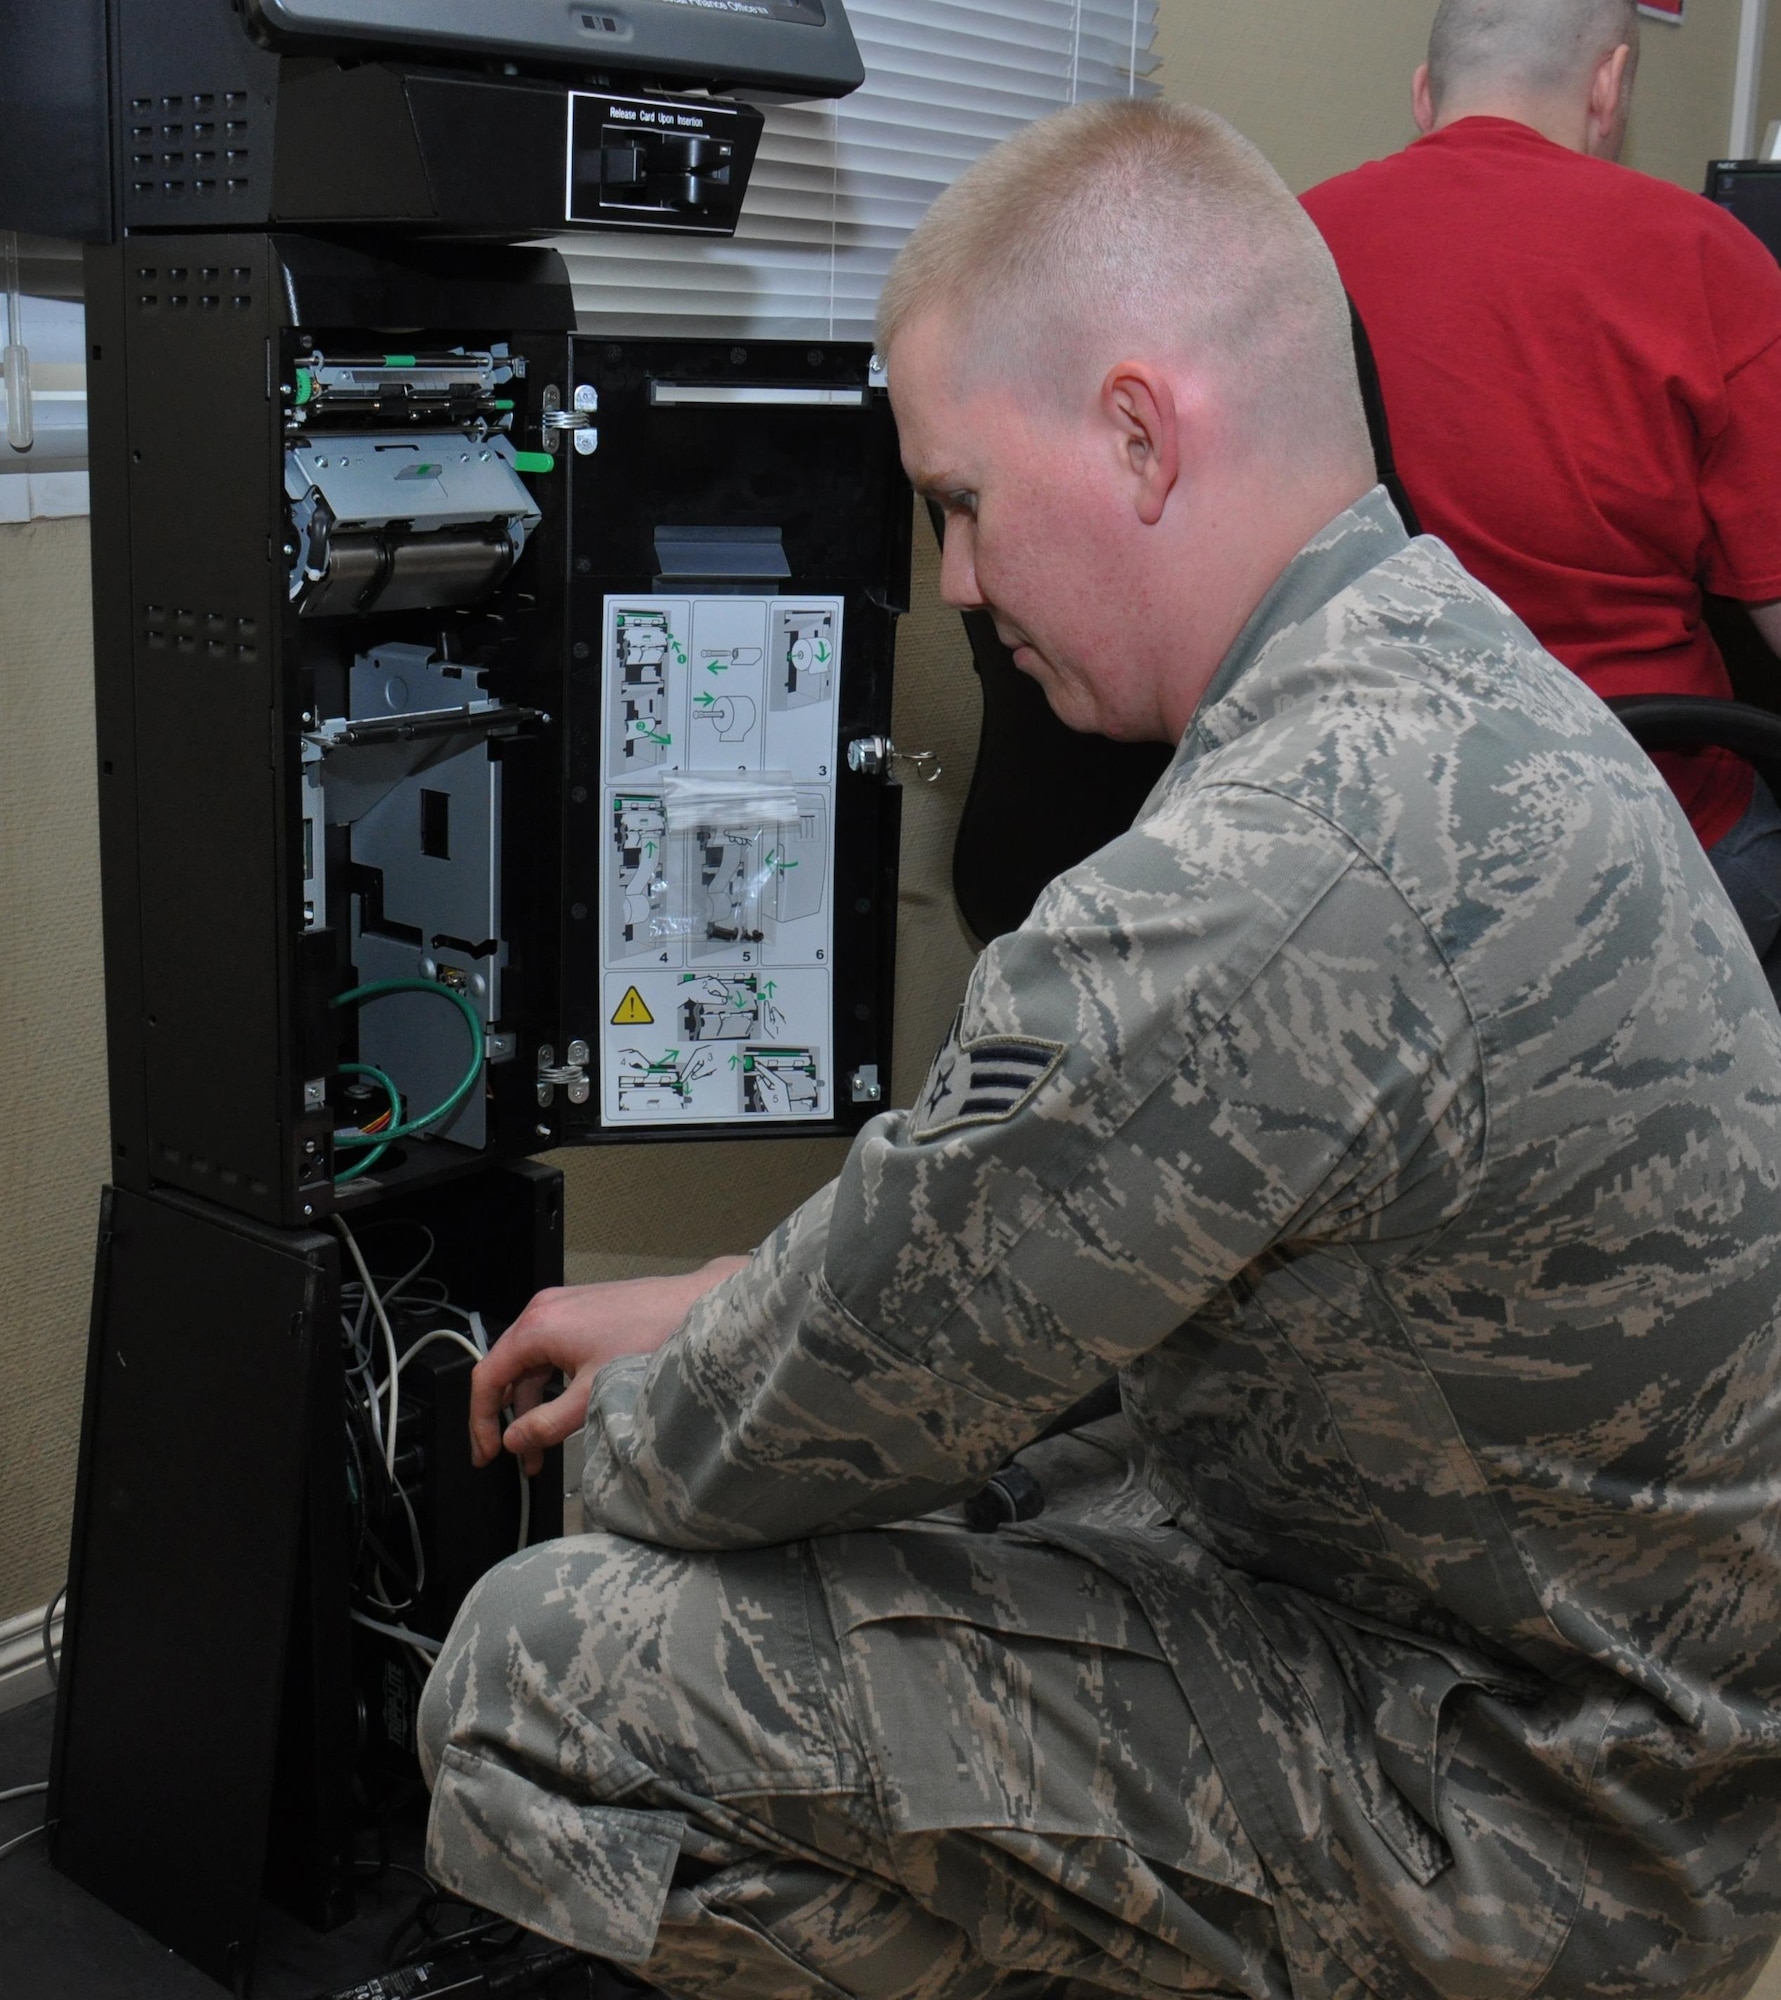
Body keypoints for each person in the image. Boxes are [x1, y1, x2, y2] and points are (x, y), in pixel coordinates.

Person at [418, 98, 1781, 2000]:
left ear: (1138, 434)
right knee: (956, 1478)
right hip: (1610, 1701)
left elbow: (755, 1445)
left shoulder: (1269, 873)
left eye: (962, 502)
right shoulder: (1437, 656)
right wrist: (735, 1302)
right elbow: (968, 1255)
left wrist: (631, 1439)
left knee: (540, 1670)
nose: (960, 586)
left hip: (1544, 1819)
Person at [1303, 0, 1781, 994]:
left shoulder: (1294, 244)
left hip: (1367, 826)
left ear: (1423, 96)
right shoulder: (1709, 258)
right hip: (1645, 826)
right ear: (1608, 85)